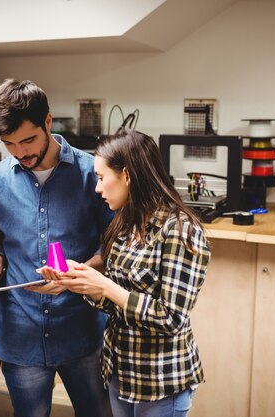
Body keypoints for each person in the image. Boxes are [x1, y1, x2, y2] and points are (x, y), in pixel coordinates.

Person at [0, 79, 113, 417]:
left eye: (28, 139)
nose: (21, 152)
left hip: (82, 328)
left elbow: (113, 245)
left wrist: (77, 275)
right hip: (20, 331)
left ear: (48, 122)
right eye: (10, 144)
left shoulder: (93, 173)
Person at [40, 130, 211, 417]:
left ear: (127, 176)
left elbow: (169, 318)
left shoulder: (181, 231)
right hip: (120, 373)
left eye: (101, 177)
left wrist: (105, 286)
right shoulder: (123, 225)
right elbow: (115, 303)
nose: (97, 188)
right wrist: (81, 281)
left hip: (160, 381)